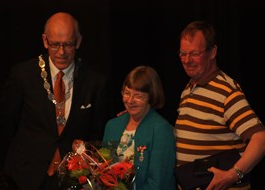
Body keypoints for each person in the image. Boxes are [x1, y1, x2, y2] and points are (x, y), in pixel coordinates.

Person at [0, 12, 111, 190]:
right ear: (45, 41)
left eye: (68, 44)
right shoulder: (22, 75)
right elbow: (7, 125)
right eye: (55, 44)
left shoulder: (95, 81)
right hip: (25, 176)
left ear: (78, 41)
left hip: (72, 179)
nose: (61, 52)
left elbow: (96, 133)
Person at [175, 20, 265, 189]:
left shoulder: (226, 92)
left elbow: (261, 139)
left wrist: (232, 175)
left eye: (194, 54)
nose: (187, 60)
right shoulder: (189, 88)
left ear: (212, 52)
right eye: (183, 53)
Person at [103, 65, 176, 190]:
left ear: (151, 97)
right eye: (127, 93)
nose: (130, 100)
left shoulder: (162, 130)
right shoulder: (112, 125)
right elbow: (102, 171)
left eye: (138, 96)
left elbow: (158, 183)